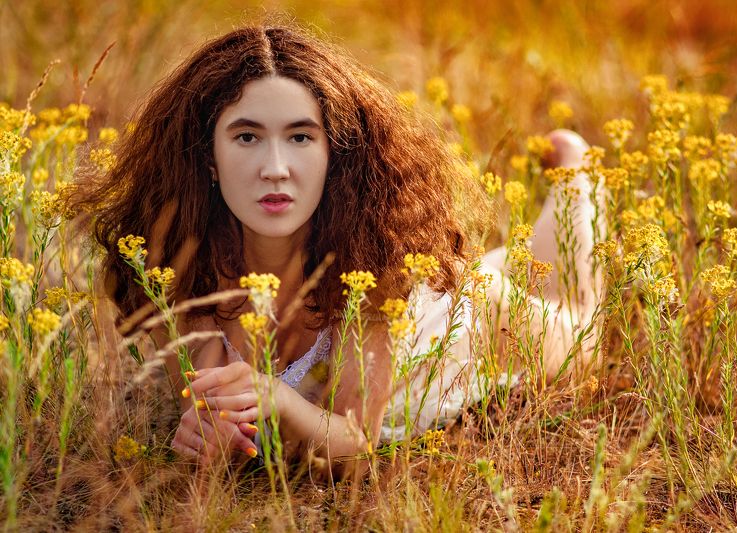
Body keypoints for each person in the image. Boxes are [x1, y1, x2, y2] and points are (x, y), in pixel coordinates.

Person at [71, 23, 601, 478]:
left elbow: (355, 450)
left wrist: (275, 398)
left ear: (335, 154)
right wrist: (210, 432)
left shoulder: (375, 268)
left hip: (459, 328)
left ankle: (575, 171)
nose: (275, 168)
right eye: (247, 137)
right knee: (514, 264)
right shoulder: (176, 270)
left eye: (300, 138)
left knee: (580, 330)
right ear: (208, 157)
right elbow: (226, 420)